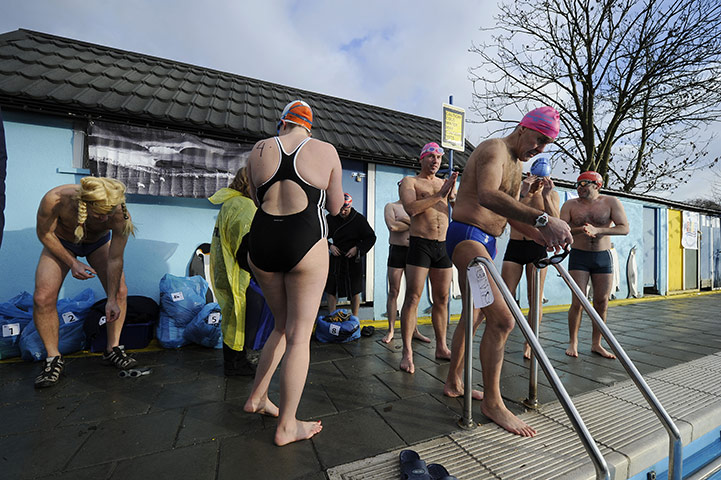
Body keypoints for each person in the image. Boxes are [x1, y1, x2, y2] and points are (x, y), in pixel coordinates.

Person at [443, 106, 572, 437]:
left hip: (487, 242)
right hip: (467, 239)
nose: (540, 149)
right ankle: (493, 403)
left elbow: (509, 216)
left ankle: (454, 380)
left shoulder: (516, 165)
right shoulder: (494, 150)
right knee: (503, 319)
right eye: (539, 140)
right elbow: (487, 196)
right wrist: (542, 219)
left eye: (546, 144)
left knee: (476, 316)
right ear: (523, 128)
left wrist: (539, 235)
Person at [242, 100, 344, 446]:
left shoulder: (258, 150)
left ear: (281, 122)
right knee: (300, 335)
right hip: (304, 239)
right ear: (309, 127)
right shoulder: (325, 150)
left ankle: (257, 397)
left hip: (262, 239)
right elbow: (333, 207)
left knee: (280, 326)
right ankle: (287, 425)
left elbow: (258, 199)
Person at [33, 177, 137, 388]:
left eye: (108, 214)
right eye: (99, 213)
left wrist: (110, 299)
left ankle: (112, 349)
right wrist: (72, 263)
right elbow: (44, 233)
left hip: (97, 244)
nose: (104, 219)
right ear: (85, 203)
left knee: (119, 292)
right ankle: (53, 359)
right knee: (42, 297)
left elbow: (115, 259)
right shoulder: (55, 199)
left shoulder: (119, 214)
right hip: (60, 242)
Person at [398, 142, 458, 374]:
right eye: (431, 156)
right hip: (420, 244)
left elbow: (457, 209)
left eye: (439, 158)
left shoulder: (445, 184)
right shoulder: (410, 182)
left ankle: (441, 346)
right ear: (421, 159)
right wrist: (440, 195)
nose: (435, 161)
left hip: (442, 245)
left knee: (442, 298)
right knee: (413, 297)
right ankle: (407, 352)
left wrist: (452, 197)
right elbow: (412, 209)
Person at [561, 171, 629, 359]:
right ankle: (573, 342)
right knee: (578, 301)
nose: (580, 187)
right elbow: (562, 229)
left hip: (602, 256)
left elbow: (624, 228)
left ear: (597, 185)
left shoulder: (610, 203)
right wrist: (581, 230)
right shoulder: (570, 205)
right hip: (579, 256)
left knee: (602, 301)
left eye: (585, 184)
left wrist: (598, 230)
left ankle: (596, 344)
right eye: (578, 184)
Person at [501, 157, 560, 360]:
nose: (540, 182)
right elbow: (508, 211)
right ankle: (501, 335)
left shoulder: (552, 194)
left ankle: (530, 342)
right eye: (537, 178)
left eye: (544, 178)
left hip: (537, 247)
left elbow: (556, 220)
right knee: (505, 296)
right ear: (529, 175)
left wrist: (547, 195)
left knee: (534, 299)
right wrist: (525, 190)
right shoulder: (519, 189)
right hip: (515, 246)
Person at [208, 166, 257, 376]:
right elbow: (246, 246)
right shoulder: (245, 206)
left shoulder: (229, 203)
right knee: (240, 317)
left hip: (225, 270)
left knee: (231, 317)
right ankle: (237, 365)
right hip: (239, 274)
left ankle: (234, 361)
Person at [382, 196, 431, 344]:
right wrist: (412, 223)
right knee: (393, 291)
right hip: (397, 251)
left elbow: (424, 228)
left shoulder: (416, 208)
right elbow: (393, 227)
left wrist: (402, 220)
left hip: (414, 252)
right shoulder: (391, 206)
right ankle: (391, 330)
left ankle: (414, 330)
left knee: (413, 294)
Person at [325, 193, 376, 317]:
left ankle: (355, 317)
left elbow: (371, 237)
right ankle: (332, 316)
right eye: (340, 209)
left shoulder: (358, 219)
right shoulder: (330, 218)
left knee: (355, 289)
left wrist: (357, 249)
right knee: (331, 288)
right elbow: (320, 235)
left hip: (353, 258)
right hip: (336, 257)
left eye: (345, 209)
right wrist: (330, 246)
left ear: (350, 206)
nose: (342, 212)